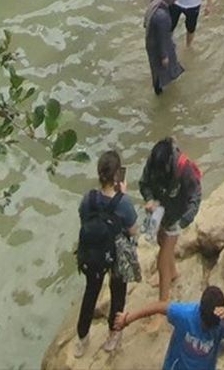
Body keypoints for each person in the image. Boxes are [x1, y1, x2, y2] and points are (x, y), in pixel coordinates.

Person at [74, 150, 138, 359]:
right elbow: (133, 231)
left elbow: (83, 219)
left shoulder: (88, 198)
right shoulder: (123, 202)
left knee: (90, 292)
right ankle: (113, 334)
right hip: (115, 253)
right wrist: (122, 195)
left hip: (93, 253)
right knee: (118, 292)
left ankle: (82, 338)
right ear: (118, 175)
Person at [111, 285, 224, 369]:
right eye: (205, 323)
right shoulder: (184, 315)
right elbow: (158, 307)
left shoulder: (221, 323)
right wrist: (127, 318)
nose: (207, 327)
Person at [139, 138, 201, 300]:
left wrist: (182, 222)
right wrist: (149, 199)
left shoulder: (185, 169)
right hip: (160, 209)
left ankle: (163, 301)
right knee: (160, 239)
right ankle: (172, 273)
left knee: (162, 259)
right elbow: (144, 183)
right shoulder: (153, 162)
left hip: (178, 214)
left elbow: (195, 198)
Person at [143, 0, 184, 96]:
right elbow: (162, 38)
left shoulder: (156, 0)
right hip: (157, 45)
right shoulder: (162, 17)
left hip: (152, 39)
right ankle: (159, 89)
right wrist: (164, 56)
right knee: (160, 69)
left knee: (158, 66)